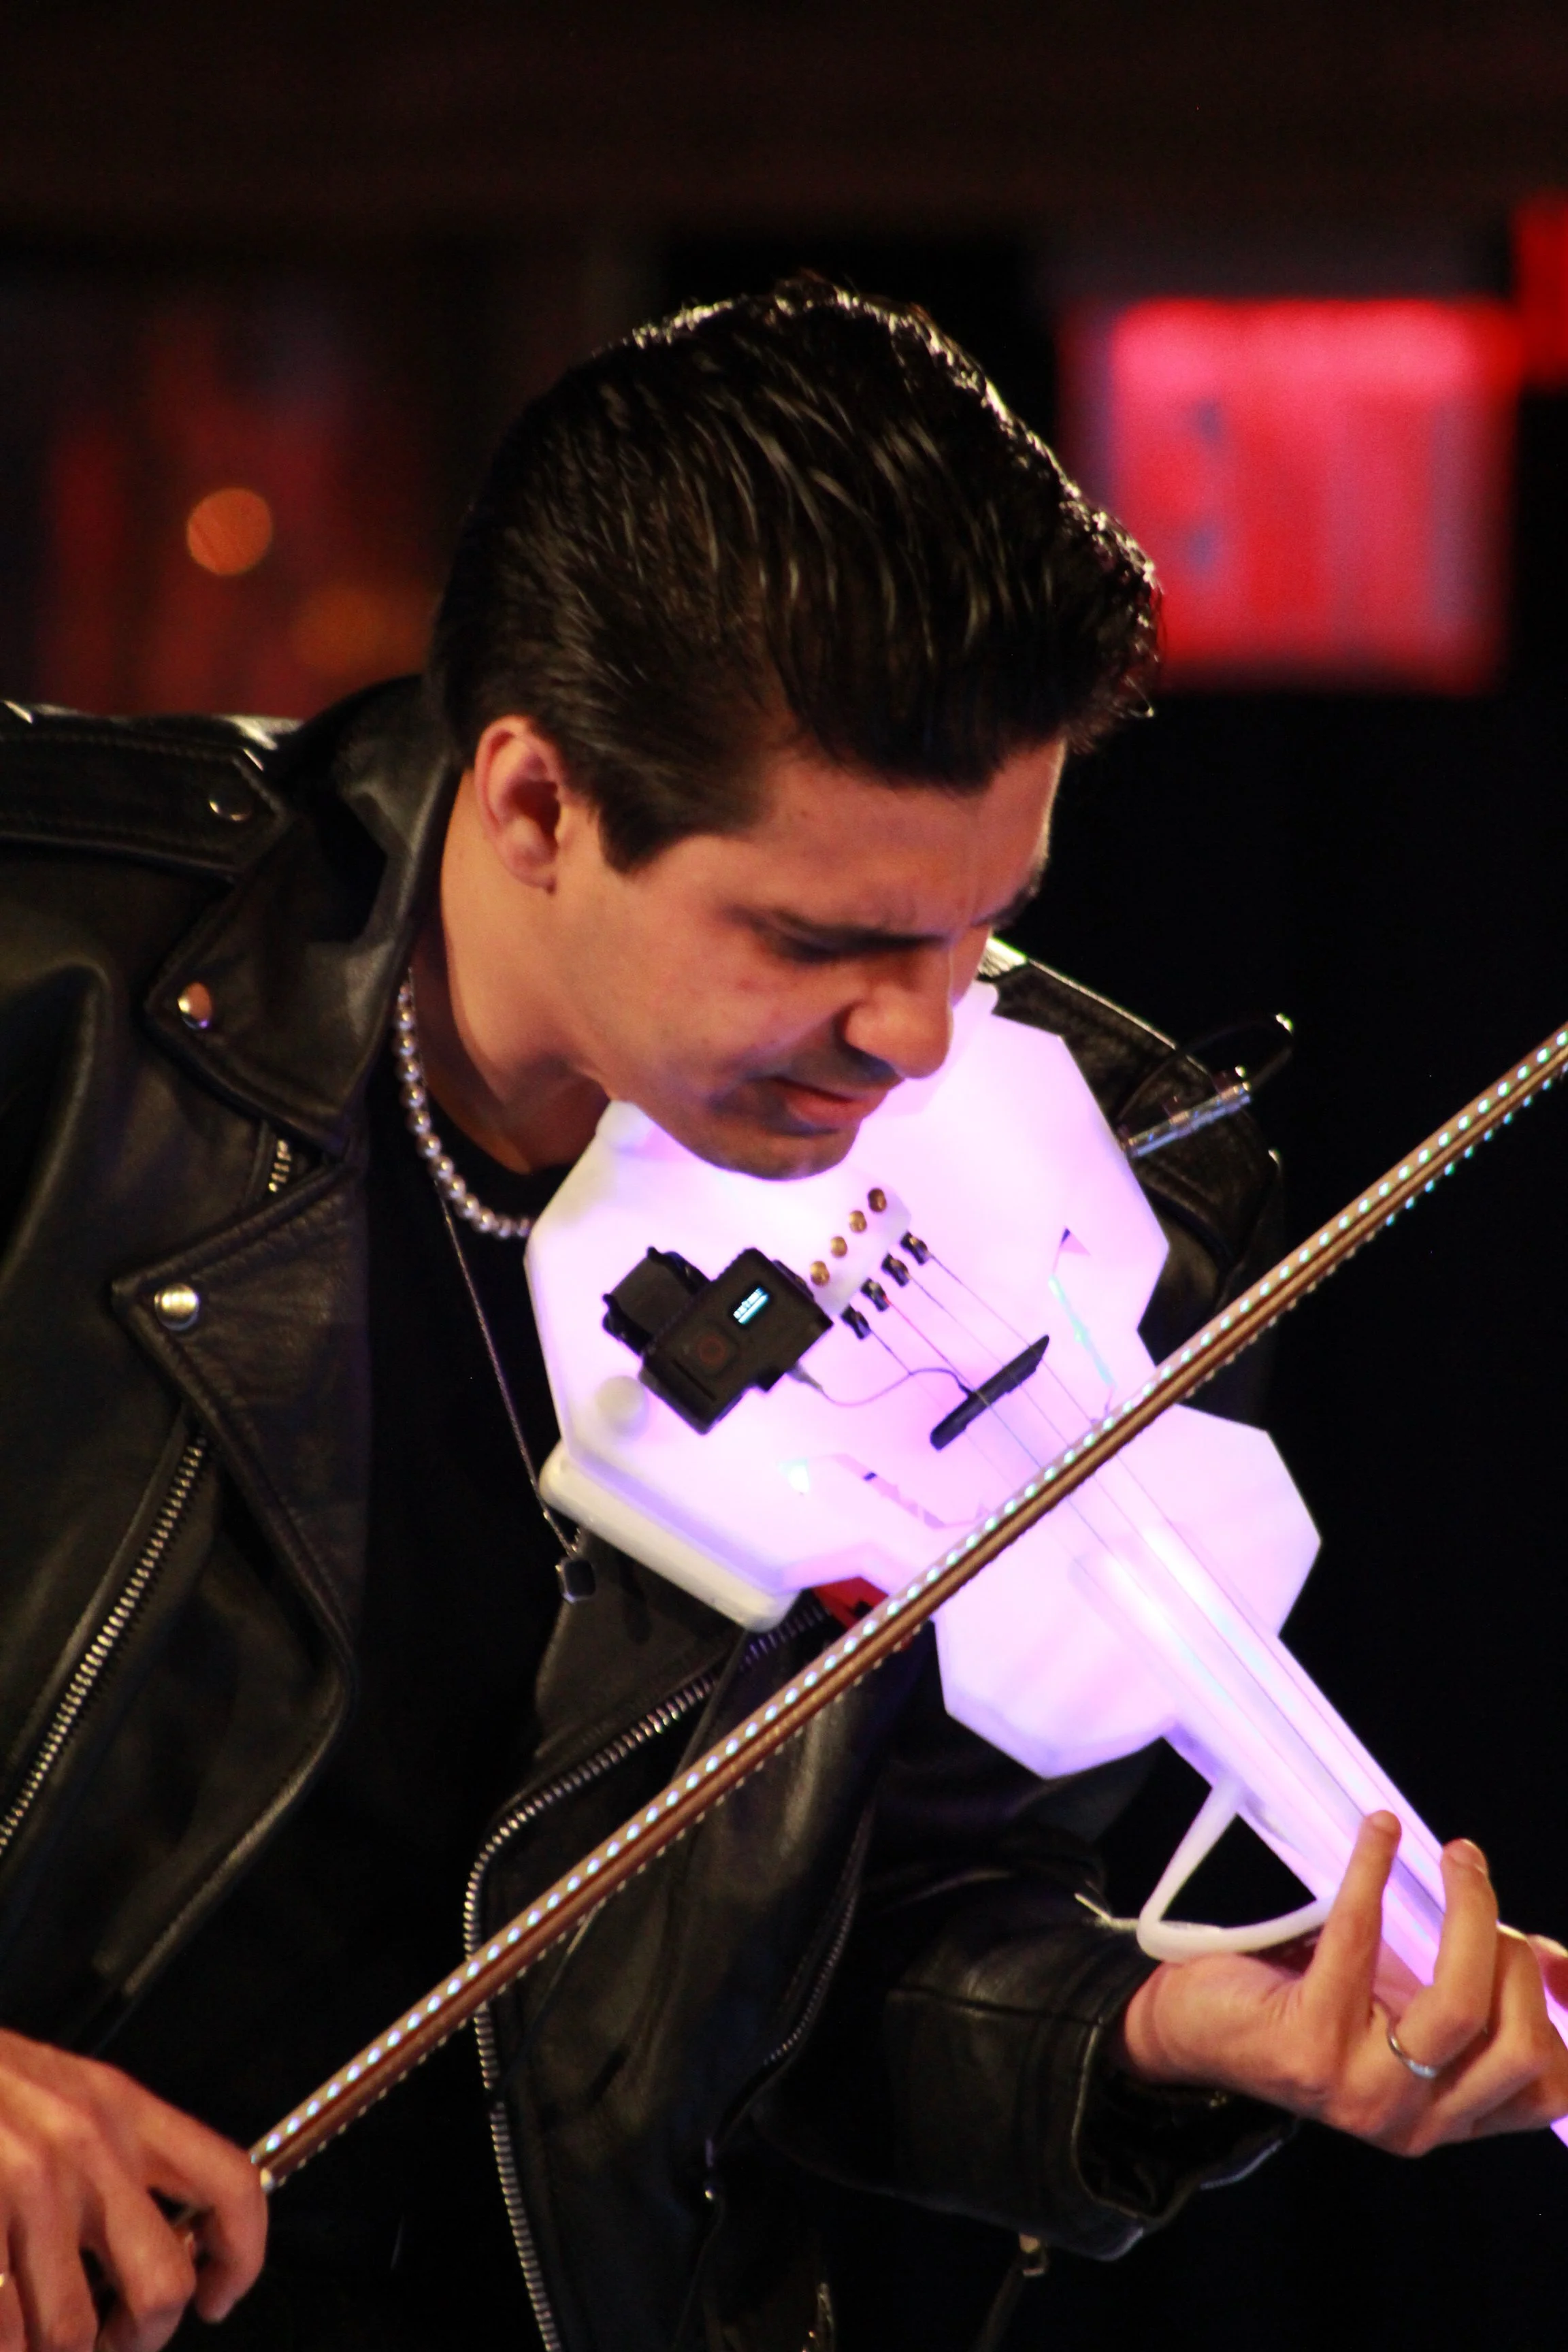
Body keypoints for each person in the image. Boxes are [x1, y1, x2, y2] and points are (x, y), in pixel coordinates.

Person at [0, 277, 1563, 2352]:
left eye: (984, 924)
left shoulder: (1056, 1185)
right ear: (538, 804)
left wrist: (1156, 2029)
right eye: (829, 941)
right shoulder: (54, 981)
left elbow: (841, 1955)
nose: (925, 1037)